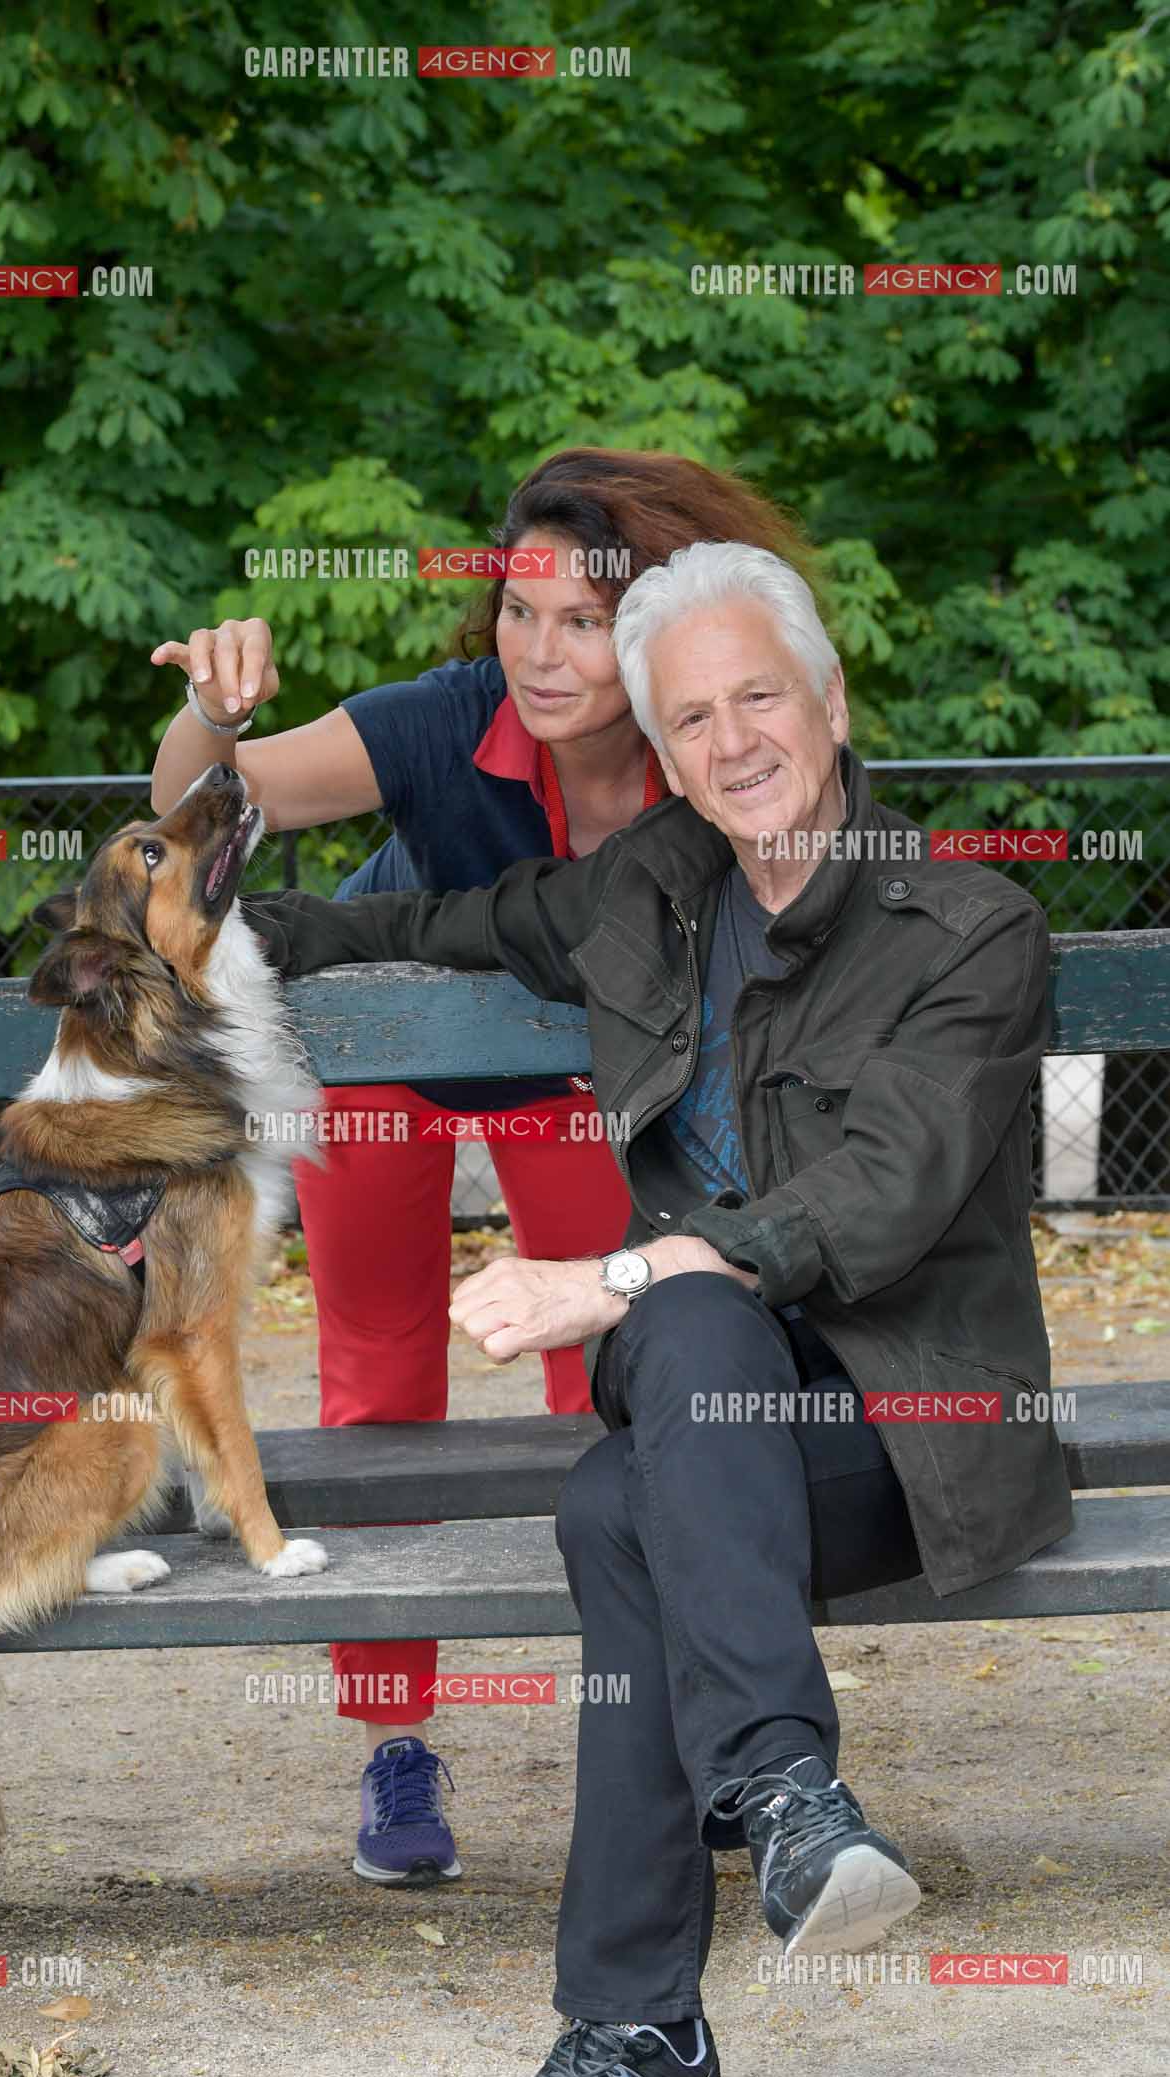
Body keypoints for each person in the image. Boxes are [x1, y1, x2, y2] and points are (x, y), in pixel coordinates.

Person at [237, 540, 1073, 2077]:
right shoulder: (649, 888)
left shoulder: (971, 927)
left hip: (903, 1436)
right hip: (711, 1407)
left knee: (621, 1496)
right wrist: (209, 928)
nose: (731, 740)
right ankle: (785, 1798)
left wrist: (599, 1276)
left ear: (830, 703)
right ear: (663, 746)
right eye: (690, 718)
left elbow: (875, 1201)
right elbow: (425, 912)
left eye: (759, 695)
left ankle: (642, 2038)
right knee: (683, 1348)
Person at [149, 452, 812, 1889]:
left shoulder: (698, 740)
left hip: (582, 1075)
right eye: (521, 613)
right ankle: (395, 1742)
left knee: (630, 1377)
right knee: (384, 1378)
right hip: (390, 1043)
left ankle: (679, 1724)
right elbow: (203, 809)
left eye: (582, 621)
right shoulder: (447, 720)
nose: (543, 651)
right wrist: (211, 710)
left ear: (645, 628)